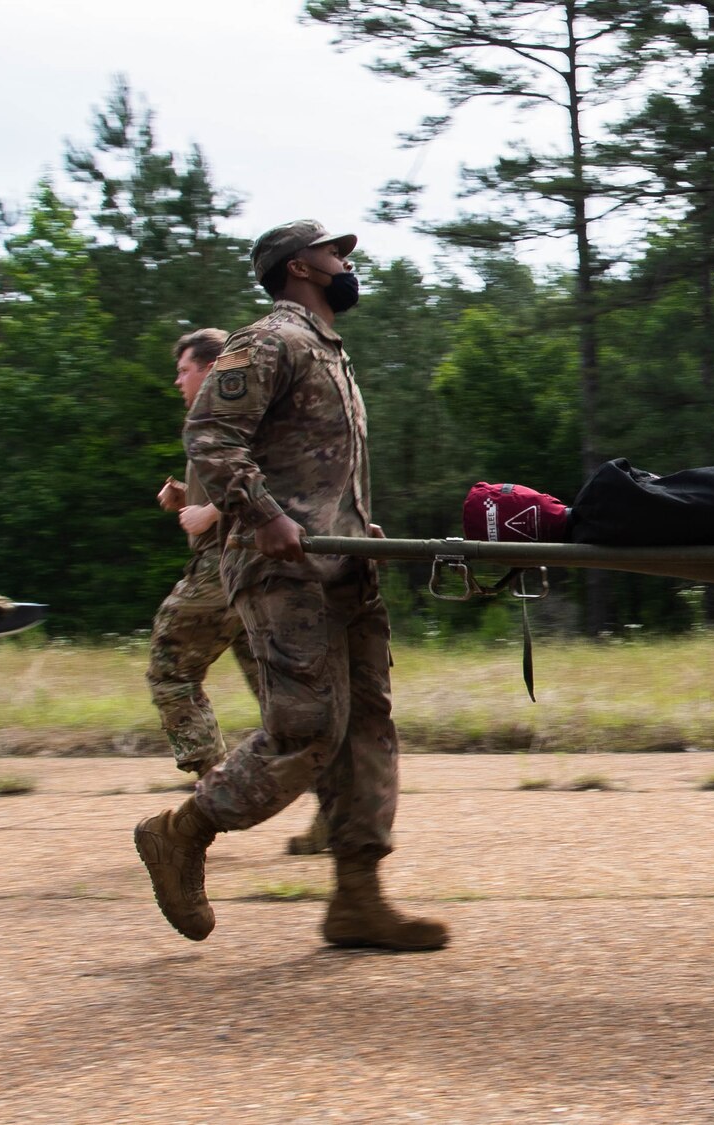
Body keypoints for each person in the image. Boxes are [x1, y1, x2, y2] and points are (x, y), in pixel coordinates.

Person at [134, 220, 446, 951]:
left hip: (343, 565)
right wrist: (264, 515)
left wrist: (360, 528)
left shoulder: (328, 350)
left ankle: (357, 899)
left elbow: (319, 469)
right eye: (339, 253)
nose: (347, 264)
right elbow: (210, 435)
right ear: (302, 264)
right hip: (284, 572)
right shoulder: (269, 340)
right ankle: (181, 831)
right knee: (306, 730)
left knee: (366, 726)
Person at [147, 329, 261, 777]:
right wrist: (185, 495)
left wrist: (211, 513)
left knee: (169, 671)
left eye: (184, 370)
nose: (178, 381)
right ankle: (335, 812)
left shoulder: (228, 416)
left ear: (212, 368)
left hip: (223, 568)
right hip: (255, 569)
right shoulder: (223, 416)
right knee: (283, 699)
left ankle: (212, 793)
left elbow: (265, 473)